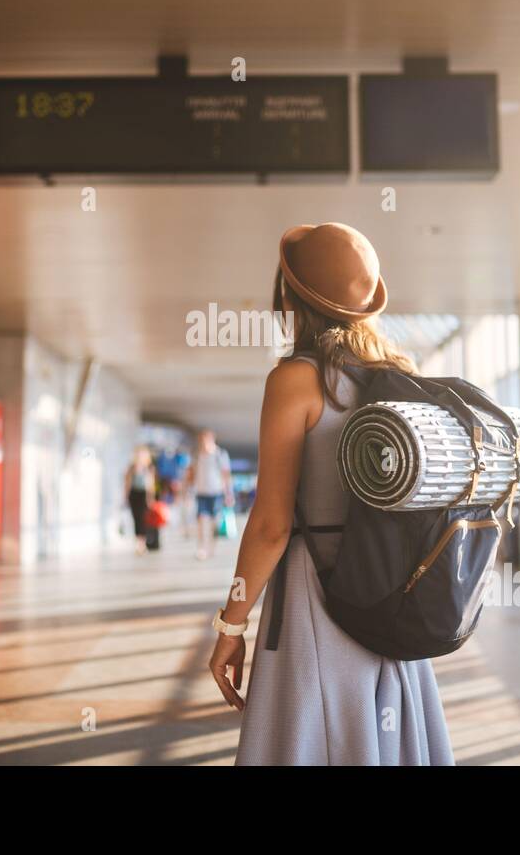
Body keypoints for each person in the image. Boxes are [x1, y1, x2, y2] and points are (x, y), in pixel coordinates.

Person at [208, 222, 455, 765]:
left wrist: (231, 623)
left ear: (290, 296)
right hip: (393, 597)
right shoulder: (402, 375)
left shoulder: (297, 379)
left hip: (316, 601)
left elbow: (272, 525)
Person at [188, 429, 232, 560]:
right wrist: (189, 490)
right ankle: (201, 548)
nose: (203, 443)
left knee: (214, 523)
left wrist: (228, 494)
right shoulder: (197, 455)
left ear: (212, 440)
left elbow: (226, 475)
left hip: (216, 493)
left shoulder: (220, 454)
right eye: (201, 440)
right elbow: (192, 473)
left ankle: (211, 546)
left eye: (205, 440)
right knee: (201, 520)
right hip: (201, 492)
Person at [124, 446, 158, 554]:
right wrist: (125, 496)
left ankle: (143, 543)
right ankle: (138, 543)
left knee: (144, 519)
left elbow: (151, 484)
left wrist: (151, 498)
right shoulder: (132, 467)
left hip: (144, 495)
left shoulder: (149, 468)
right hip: (134, 494)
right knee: (136, 519)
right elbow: (128, 483)